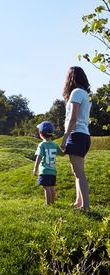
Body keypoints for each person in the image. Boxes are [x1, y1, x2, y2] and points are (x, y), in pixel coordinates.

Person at [60, 66, 92, 211]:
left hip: (77, 135)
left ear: (70, 78)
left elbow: (73, 119)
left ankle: (85, 206)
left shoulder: (76, 93)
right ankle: (78, 202)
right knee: (77, 172)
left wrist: (65, 137)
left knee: (79, 173)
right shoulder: (85, 94)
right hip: (84, 135)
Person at [33, 121, 63, 206]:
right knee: (52, 188)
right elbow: (63, 153)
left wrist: (35, 168)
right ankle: (53, 202)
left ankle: (47, 204)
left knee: (46, 188)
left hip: (44, 170)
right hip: (53, 171)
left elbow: (39, 157)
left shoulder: (41, 145)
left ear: (41, 134)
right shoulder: (54, 145)